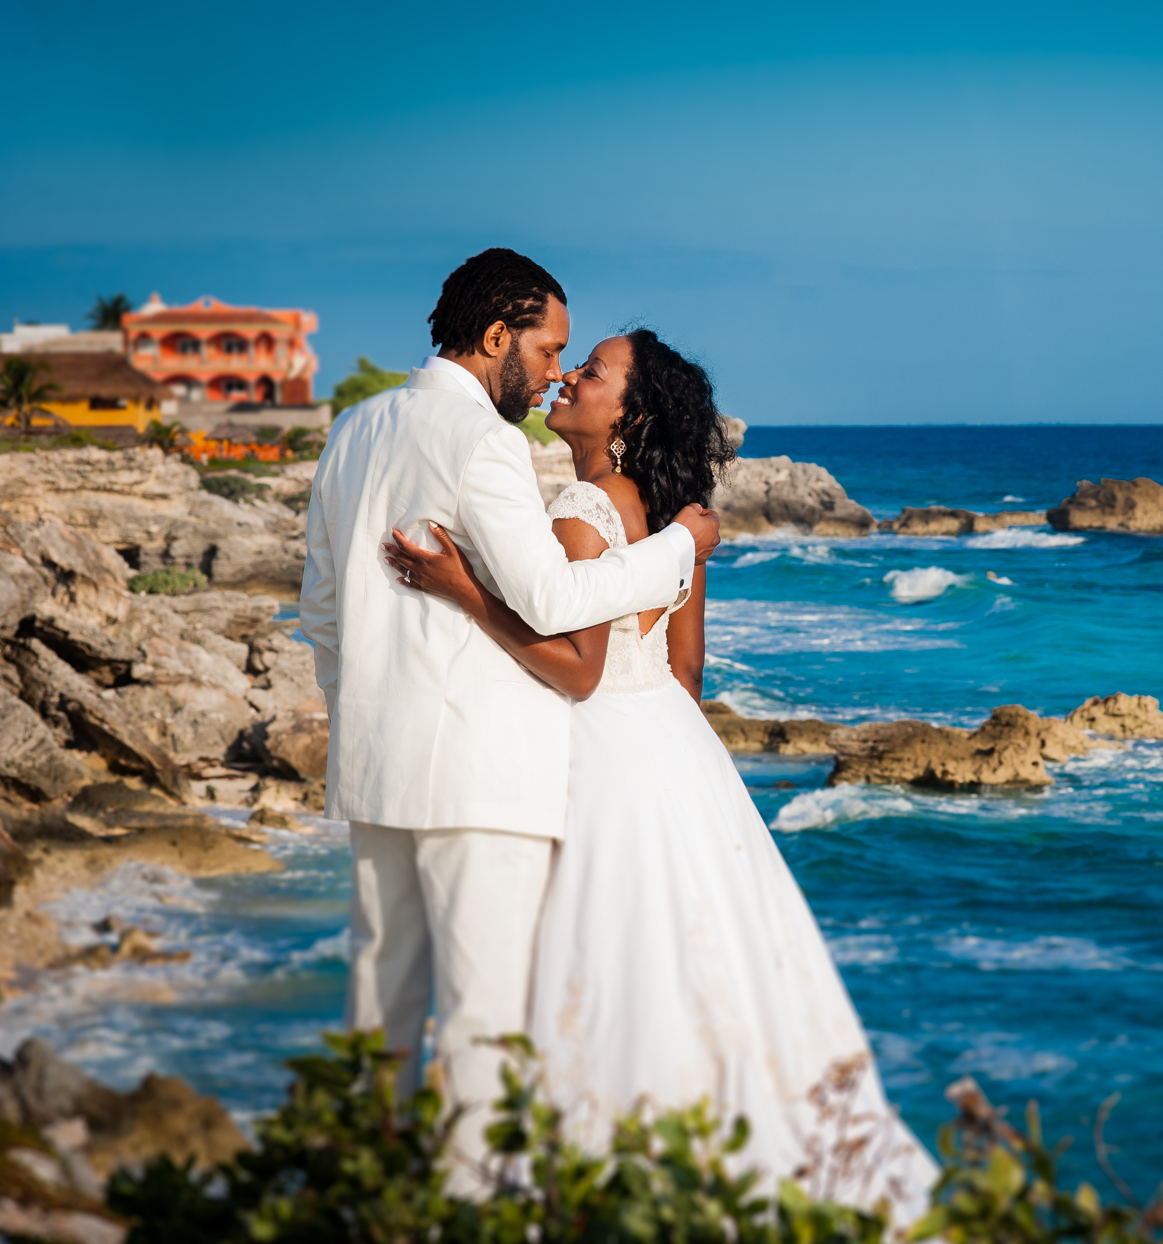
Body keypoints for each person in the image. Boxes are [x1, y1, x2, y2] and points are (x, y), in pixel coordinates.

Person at [385, 329, 938, 1219]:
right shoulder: (668, 508)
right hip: (678, 754)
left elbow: (577, 669)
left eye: (590, 371)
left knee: (597, 965)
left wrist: (462, 590)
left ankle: (590, 1183)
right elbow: (686, 673)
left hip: (601, 750)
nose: (567, 376)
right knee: (701, 964)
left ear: (627, 413)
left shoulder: (583, 507)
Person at [299, 251, 722, 1191]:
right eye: (549, 347)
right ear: (497, 340)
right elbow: (547, 594)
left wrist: (365, 705)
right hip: (483, 774)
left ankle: (371, 1195)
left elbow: (322, 613)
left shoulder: (355, 429)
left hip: (376, 765)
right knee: (487, 1021)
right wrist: (675, 553)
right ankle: (471, 1210)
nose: (553, 370)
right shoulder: (482, 441)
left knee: (380, 1004)